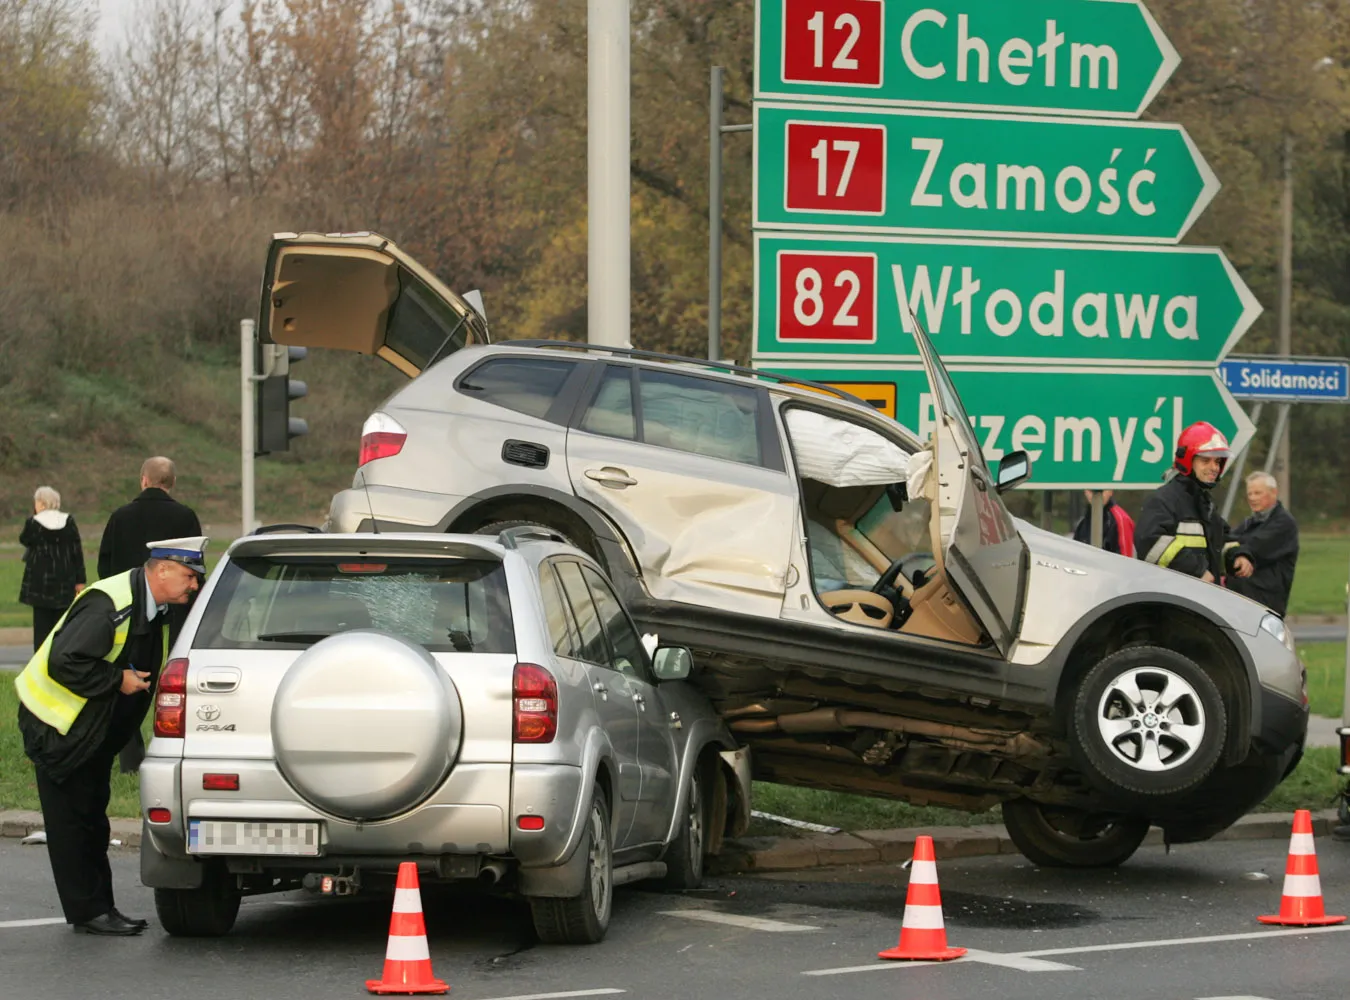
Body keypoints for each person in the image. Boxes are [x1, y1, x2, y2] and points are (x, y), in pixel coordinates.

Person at [13, 536, 206, 936]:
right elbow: (64, 660)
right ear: (163, 569)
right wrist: (117, 680)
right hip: (58, 728)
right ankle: (90, 911)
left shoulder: (153, 604)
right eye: (189, 576)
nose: (194, 586)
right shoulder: (110, 606)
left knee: (91, 820)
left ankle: (97, 908)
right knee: (73, 824)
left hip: (90, 730)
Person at [98, 457, 201, 772]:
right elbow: (196, 567)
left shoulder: (120, 517)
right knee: (172, 677)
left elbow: (105, 566)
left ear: (143, 480)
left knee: (133, 678)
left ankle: (130, 756)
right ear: (171, 482)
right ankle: (172, 744)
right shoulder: (185, 517)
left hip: (131, 605)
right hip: (177, 605)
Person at [1135, 421, 1254, 584]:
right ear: (1188, 461)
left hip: (1197, 599)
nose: (1214, 468)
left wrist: (1238, 556)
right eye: (1206, 461)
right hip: (1172, 600)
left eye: (1218, 462)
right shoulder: (1164, 500)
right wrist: (1196, 571)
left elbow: (1221, 538)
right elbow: (1151, 543)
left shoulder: (1204, 503)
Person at [19, 487, 87, 651]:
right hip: (65, 579)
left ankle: (40, 665)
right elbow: (76, 551)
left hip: (39, 582)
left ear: (41, 503)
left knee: (41, 628)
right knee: (62, 626)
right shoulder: (68, 520)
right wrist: (80, 580)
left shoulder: (33, 523)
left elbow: (24, 539)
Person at [1224, 472, 1299, 617]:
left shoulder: (1283, 523)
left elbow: (1255, 546)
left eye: (1258, 493)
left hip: (1265, 605)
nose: (1252, 498)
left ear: (1274, 493)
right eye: (1249, 493)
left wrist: (1240, 552)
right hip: (1242, 602)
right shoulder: (1250, 522)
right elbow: (1229, 540)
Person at [1072, 490, 1136, 557]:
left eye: (1101, 491)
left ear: (1111, 491)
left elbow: (1126, 560)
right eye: (1091, 491)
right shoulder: (1083, 522)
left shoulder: (1122, 520)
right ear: (1085, 492)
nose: (1096, 495)